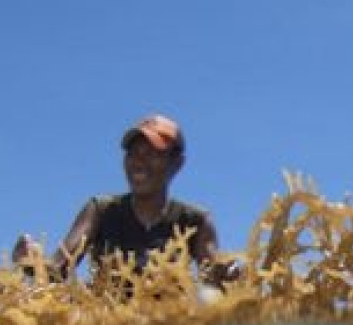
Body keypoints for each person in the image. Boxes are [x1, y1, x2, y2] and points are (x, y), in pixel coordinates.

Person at [13, 114, 233, 286]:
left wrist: (232, 279)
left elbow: (214, 283)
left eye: (152, 154)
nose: (139, 162)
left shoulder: (196, 221)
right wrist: (32, 264)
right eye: (133, 153)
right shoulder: (100, 210)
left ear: (177, 164)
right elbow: (59, 268)